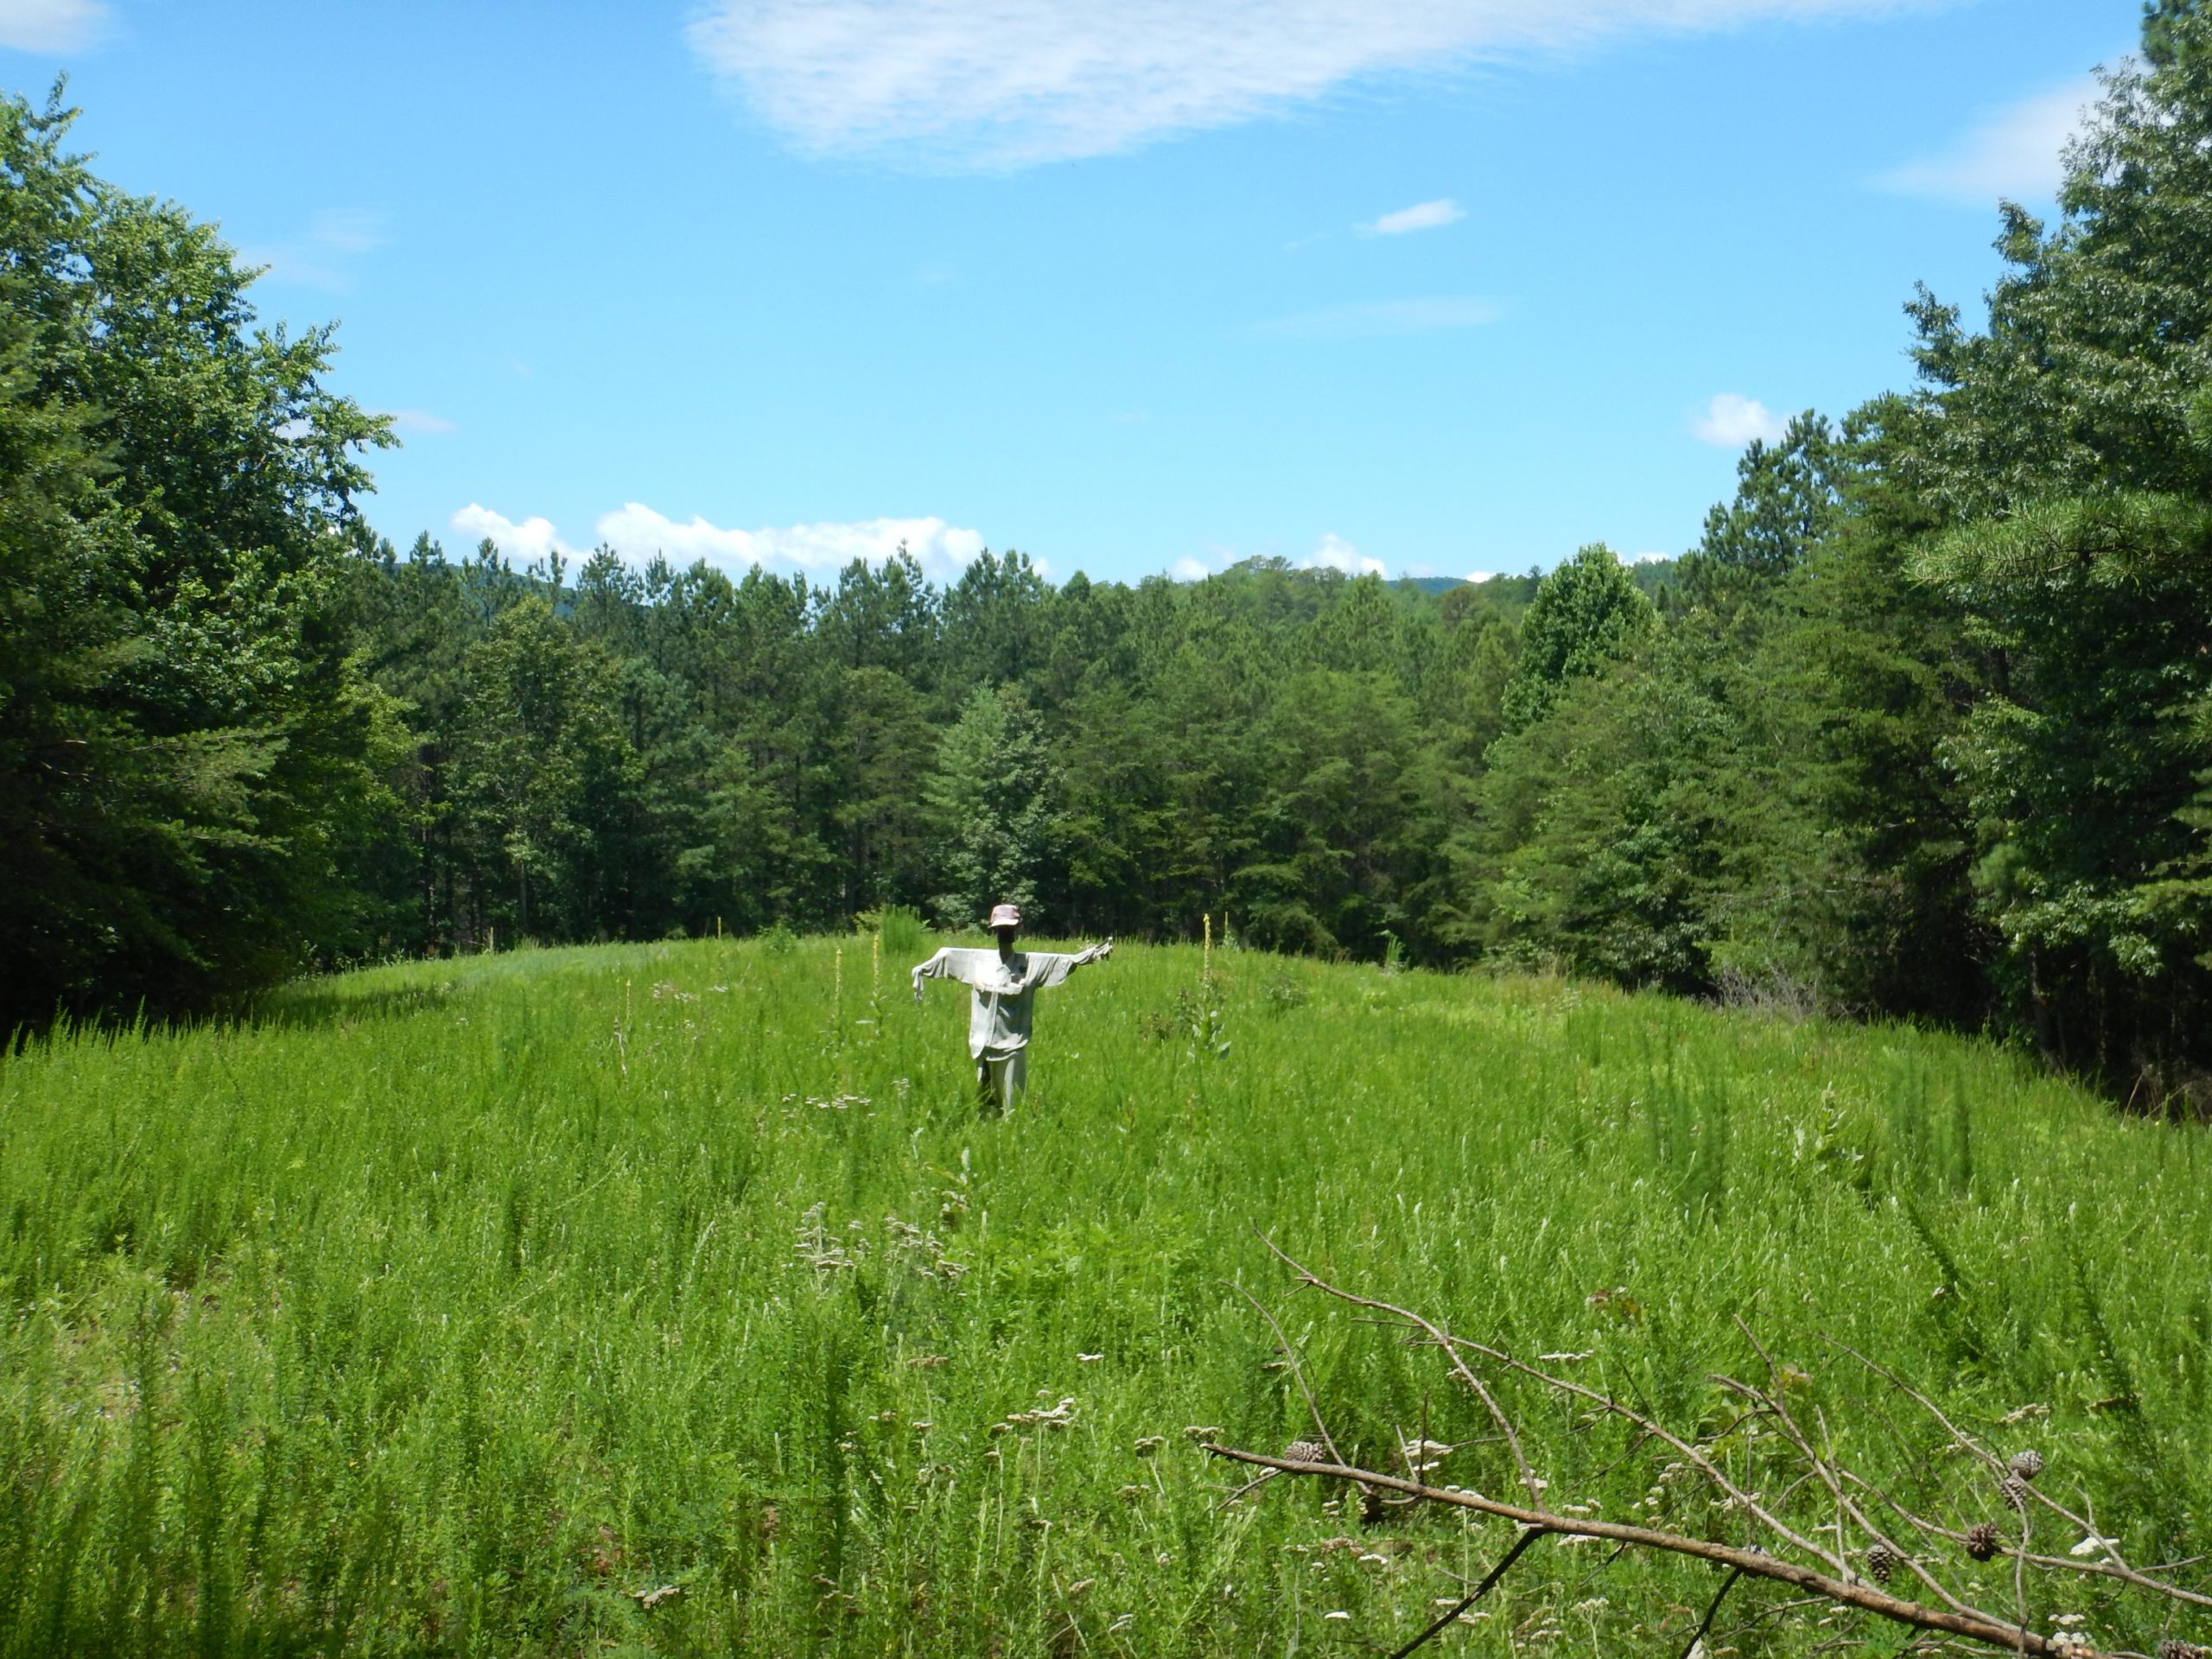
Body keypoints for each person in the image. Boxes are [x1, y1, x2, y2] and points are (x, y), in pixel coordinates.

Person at [912, 904, 1112, 1114]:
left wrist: (1092, 955)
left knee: (1013, 1105)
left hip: (1012, 1047)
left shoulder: (1030, 964)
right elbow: (946, 955)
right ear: (994, 930)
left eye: (1009, 928)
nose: (1005, 933)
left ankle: (1011, 1132)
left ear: (1017, 930)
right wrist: (921, 969)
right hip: (982, 1046)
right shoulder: (977, 961)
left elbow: (1065, 962)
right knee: (984, 1104)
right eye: (1000, 929)